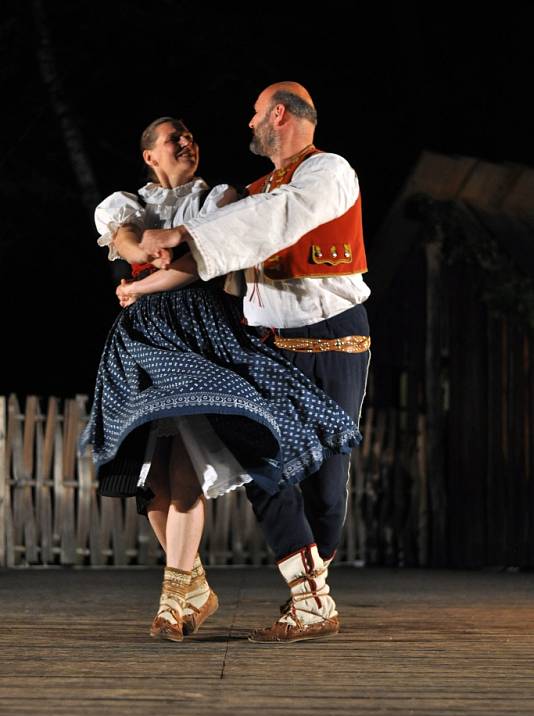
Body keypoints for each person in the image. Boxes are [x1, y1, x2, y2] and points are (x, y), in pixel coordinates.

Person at [81, 114, 361, 644]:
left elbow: (204, 263)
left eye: (190, 135)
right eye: (173, 138)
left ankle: (184, 597)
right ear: (150, 156)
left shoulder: (222, 199)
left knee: (206, 445)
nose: (187, 141)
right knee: (153, 467)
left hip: (199, 330)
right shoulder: (122, 204)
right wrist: (153, 250)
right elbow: (136, 245)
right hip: (144, 338)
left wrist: (145, 281)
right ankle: (192, 588)